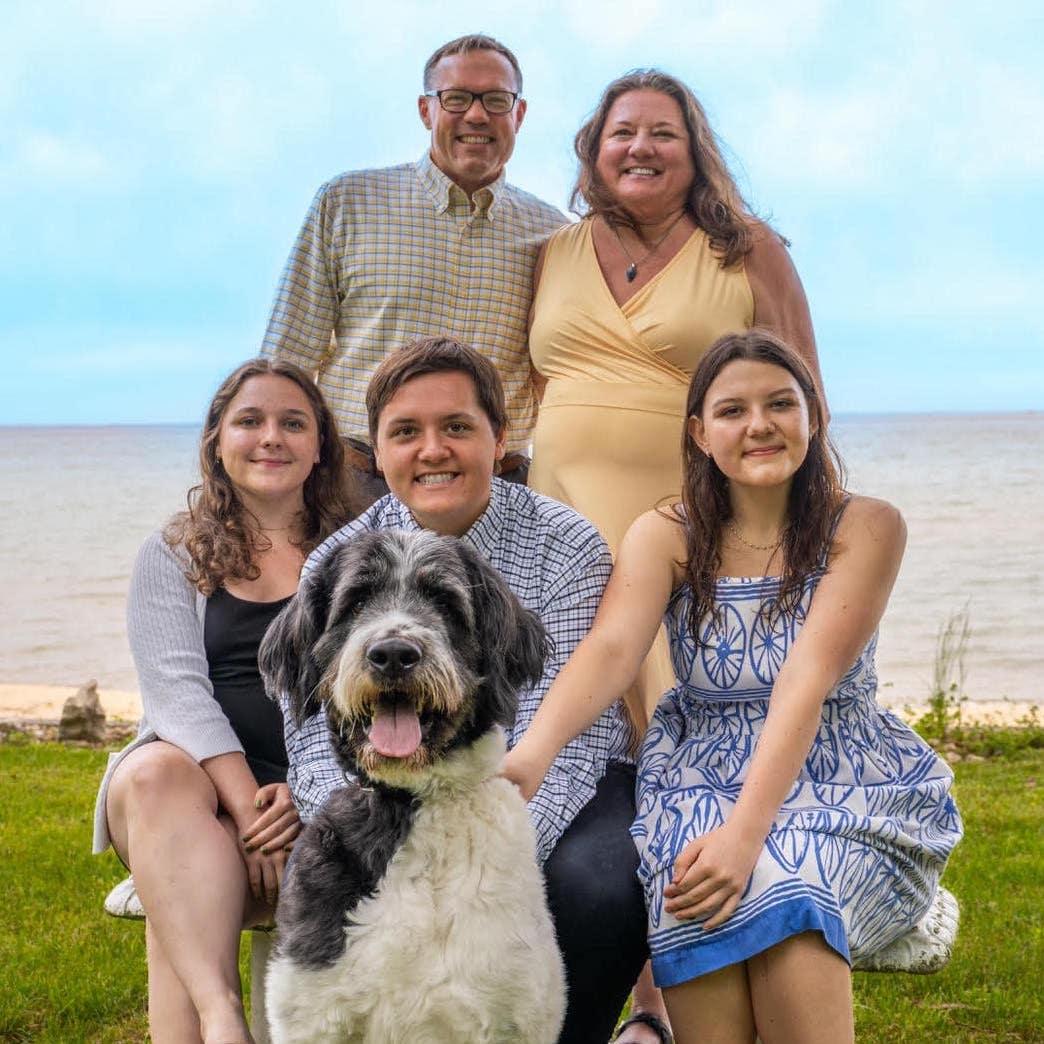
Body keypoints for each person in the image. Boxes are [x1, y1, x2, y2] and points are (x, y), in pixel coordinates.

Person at [505, 330, 962, 1044]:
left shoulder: (866, 527)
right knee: (696, 896)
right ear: (698, 431)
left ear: (814, 414)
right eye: (732, 410)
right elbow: (613, 650)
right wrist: (528, 759)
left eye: (781, 404)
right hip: (698, 771)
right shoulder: (667, 533)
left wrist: (745, 835)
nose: (759, 425)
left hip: (836, 773)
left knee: (788, 889)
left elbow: (805, 682)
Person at [283, 337, 647, 1044]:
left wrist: (480, 862)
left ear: (500, 438)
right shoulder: (336, 560)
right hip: (375, 807)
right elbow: (309, 736)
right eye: (406, 432)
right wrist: (397, 857)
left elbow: (578, 737)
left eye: (456, 427)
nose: (432, 451)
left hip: (533, 787)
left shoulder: (565, 545)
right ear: (376, 451)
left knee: (601, 882)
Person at [529, 69, 827, 731]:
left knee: (688, 692)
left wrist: (806, 520)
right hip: (563, 512)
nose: (641, 147)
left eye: (664, 133)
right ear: (594, 151)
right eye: (623, 133)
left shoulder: (749, 249)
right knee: (578, 694)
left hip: (693, 512)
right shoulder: (553, 251)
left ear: (695, 155)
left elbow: (804, 394)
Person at [92, 359, 355, 1044]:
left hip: (326, 788)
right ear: (216, 440)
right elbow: (178, 695)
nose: (271, 437)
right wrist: (248, 808)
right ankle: (221, 1014)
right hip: (192, 795)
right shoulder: (173, 551)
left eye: (293, 423)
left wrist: (306, 794)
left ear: (321, 445)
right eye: (250, 421)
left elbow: (359, 700)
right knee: (155, 770)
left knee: (178, 890)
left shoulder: (357, 551)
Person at [261, 33, 564, 503]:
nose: (477, 115)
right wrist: (264, 491)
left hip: (497, 491)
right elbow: (288, 358)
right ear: (426, 110)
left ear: (519, 114)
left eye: (496, 100)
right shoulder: (348, 202)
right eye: (457, 98)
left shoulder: (553, 232)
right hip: (356, 486)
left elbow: (558, 371)